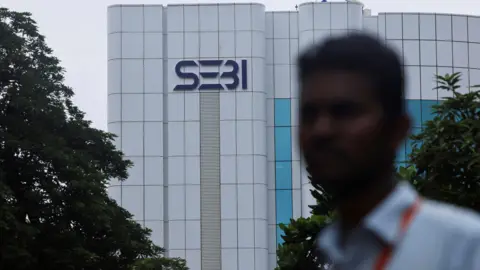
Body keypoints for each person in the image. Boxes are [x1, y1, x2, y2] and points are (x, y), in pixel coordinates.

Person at [297, 33, 480, 269]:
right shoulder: (330, 254)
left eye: (344, 112)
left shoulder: (464, 248)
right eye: (309, 115)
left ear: (398, 129)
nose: (321, 130)